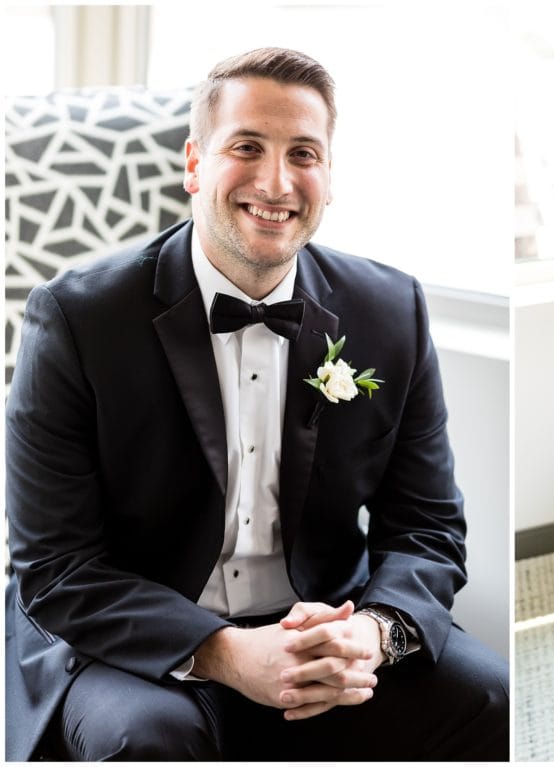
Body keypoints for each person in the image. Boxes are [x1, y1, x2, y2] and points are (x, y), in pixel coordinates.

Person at [6, 47, 508, 762]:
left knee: (494, 699)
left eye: (303, 153)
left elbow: (427, 525)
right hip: (136, 646)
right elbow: (56, 565)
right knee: (144, 743)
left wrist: (370, 633)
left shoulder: (393, 310)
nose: (277, 182)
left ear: (329, 178)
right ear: (194, 164)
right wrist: (226, 653)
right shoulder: (76, 318)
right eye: (248, 146)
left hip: (321, 624)